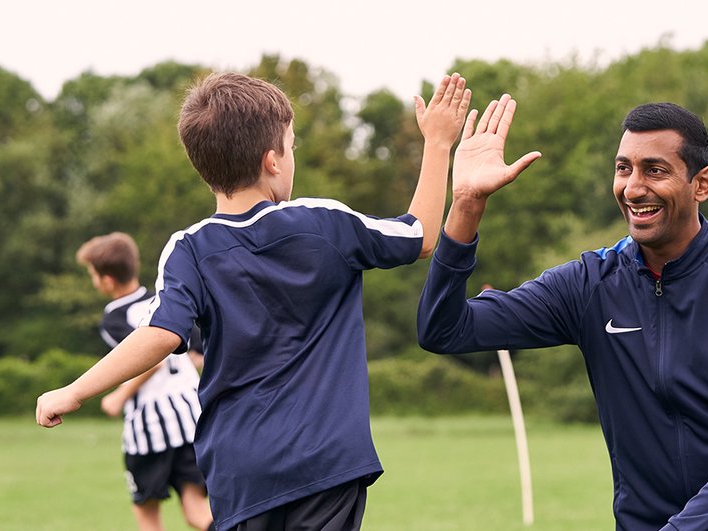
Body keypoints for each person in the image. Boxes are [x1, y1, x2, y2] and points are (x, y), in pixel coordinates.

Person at [38, 71, 476, 530]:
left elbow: (161, 334)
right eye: (291, 145)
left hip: (240, 470)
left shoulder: (189, 249)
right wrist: (437, 144)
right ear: (273, 160)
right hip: (325, 463)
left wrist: (73, 391)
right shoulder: (323, 223)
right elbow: (421, 236)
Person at [418, 102, 708, 530]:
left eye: (655, 170)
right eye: (624, 168)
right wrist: (466, 205)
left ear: (701, 184)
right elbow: (444, 329)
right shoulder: (591, 284)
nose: (632, 187)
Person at [75, 231, 213, 531]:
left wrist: (119, 396)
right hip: (191, 418)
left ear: (106, 280)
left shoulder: (113, 318)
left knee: (147, 515)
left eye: (93, 275)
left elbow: (151, 356)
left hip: (150, 427)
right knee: (197, 512)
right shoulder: (164, 301)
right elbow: (197, 352)